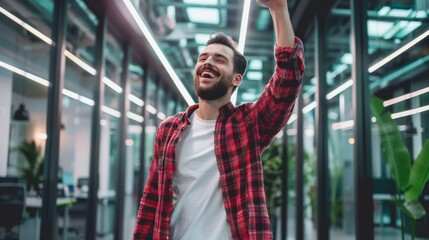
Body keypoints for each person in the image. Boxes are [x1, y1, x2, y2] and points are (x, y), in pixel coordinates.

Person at [133, 0, 304, 239]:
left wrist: (278, 9)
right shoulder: (169, 130)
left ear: (237, 79)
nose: (208, 62)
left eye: (220, 60)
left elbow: (287, 81)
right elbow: (152, 200)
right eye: (203, 57)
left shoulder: (247, 125)